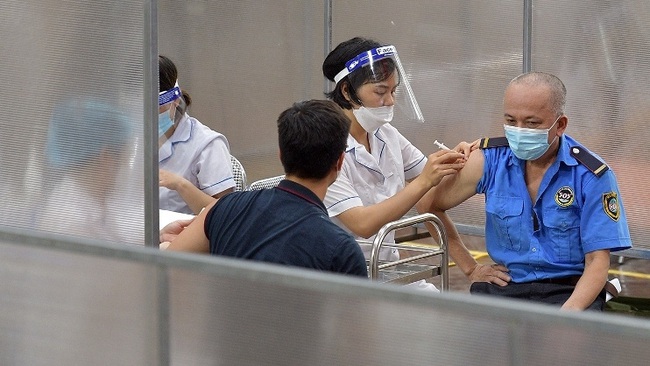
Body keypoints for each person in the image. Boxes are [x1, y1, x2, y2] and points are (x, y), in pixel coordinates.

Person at [418, 71, 632, 310]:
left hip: (569, 293)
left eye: (532, 123)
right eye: (510, 121)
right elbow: (429, 206)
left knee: (563, 345)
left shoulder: (591, 175)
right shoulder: (489, 160)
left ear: (560, 124)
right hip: (506, 287)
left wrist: (563, 318)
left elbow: (597, 263)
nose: (519, 131)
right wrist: (471, 268)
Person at [162, 99, 368, 277]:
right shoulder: (342, 250)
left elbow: (164, 264)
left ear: (281, 154)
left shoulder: (224, 208)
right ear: (339, 162)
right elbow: (355, 321)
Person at [321, 37, 468, 268]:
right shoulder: (325, 148)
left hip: (386, 266)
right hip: (345, 272)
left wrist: (460, 159)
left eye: (393, 91)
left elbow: (434, 179)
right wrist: (425, 181)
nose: (389, 101)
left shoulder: (385, 134)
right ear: (347, 91)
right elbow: (363, 224)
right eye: (380, 91)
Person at [36, 97, 134, 242]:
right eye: (127, 157)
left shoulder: (93, 199)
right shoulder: (70, 224)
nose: (128, 167)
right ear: (107, 158)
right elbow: (118, 263)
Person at [158, 55, 235, 215]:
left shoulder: (207, 145)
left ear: (175, 100)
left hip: (184, 235)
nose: (144, 116)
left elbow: (227, 215)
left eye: (154, 107)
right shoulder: (130, 141)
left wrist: (180, 185)